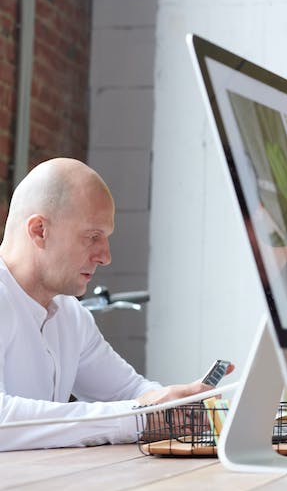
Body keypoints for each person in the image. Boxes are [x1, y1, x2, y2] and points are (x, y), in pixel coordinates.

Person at [0, 158, 222, 451]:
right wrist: (140, 418)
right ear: (40, 230)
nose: (105, 256)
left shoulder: (70, 315)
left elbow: (128, 392)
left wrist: (179, 404)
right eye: (92, 237)